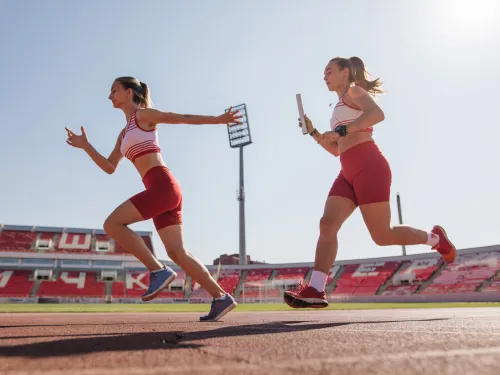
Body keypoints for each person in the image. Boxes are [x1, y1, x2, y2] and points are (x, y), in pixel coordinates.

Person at [65, 76, 241, 321]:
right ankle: (221, 297)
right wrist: (86, 146)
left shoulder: (143, 116)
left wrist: (219, 120)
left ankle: (157, 270)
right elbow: (109, 166)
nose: (109, 96)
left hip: (162, 186)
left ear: (129, 93)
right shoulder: (123, 134)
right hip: (162, 191)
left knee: (112, 224)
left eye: (114, 90)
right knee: (178, 252)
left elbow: (180, 118)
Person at [285, 57, 456, 308]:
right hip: (347, 172)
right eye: (323, 73)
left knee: (382, 235)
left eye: (329, 71)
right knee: (327, 224)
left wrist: (344, 131)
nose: (325, 76)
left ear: (345, 72)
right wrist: (313, 132)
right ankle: (316, 289)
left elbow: (378, 114)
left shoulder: (355, 91)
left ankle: (435, 239)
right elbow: (336, 150)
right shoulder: (337, 108)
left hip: (370, 167)